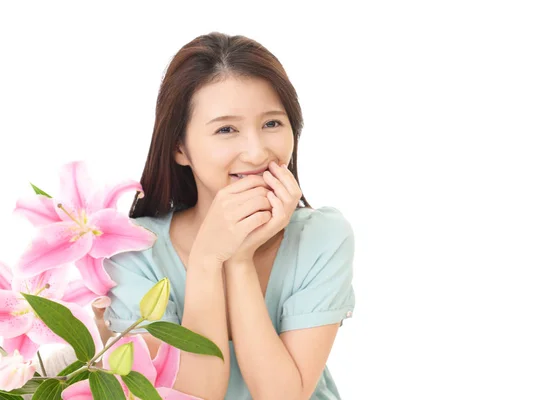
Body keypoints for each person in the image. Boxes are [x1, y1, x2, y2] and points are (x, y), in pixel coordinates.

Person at [96, 32, 356, 400]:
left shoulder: (323, 237)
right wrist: (206, 259)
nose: (256, 151)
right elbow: (190, 397)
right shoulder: (134, 251)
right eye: (226, 129)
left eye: (272, 124)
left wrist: (239, 261)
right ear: (179, 147)